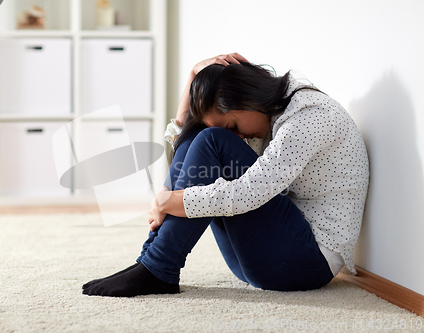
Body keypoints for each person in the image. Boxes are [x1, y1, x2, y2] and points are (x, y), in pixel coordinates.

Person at [82, 53, 369, 297]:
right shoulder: (269, 115)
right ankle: (153, 262)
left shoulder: (308, 117)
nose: (238, 136)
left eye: (232, 124)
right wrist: (193, 75)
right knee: (199, 137)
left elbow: (247, 192)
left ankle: (157, 267)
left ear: (249, 98)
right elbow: (183, 145)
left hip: (305, 264)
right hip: (268, 258)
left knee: (212, 141)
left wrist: (167, 201)